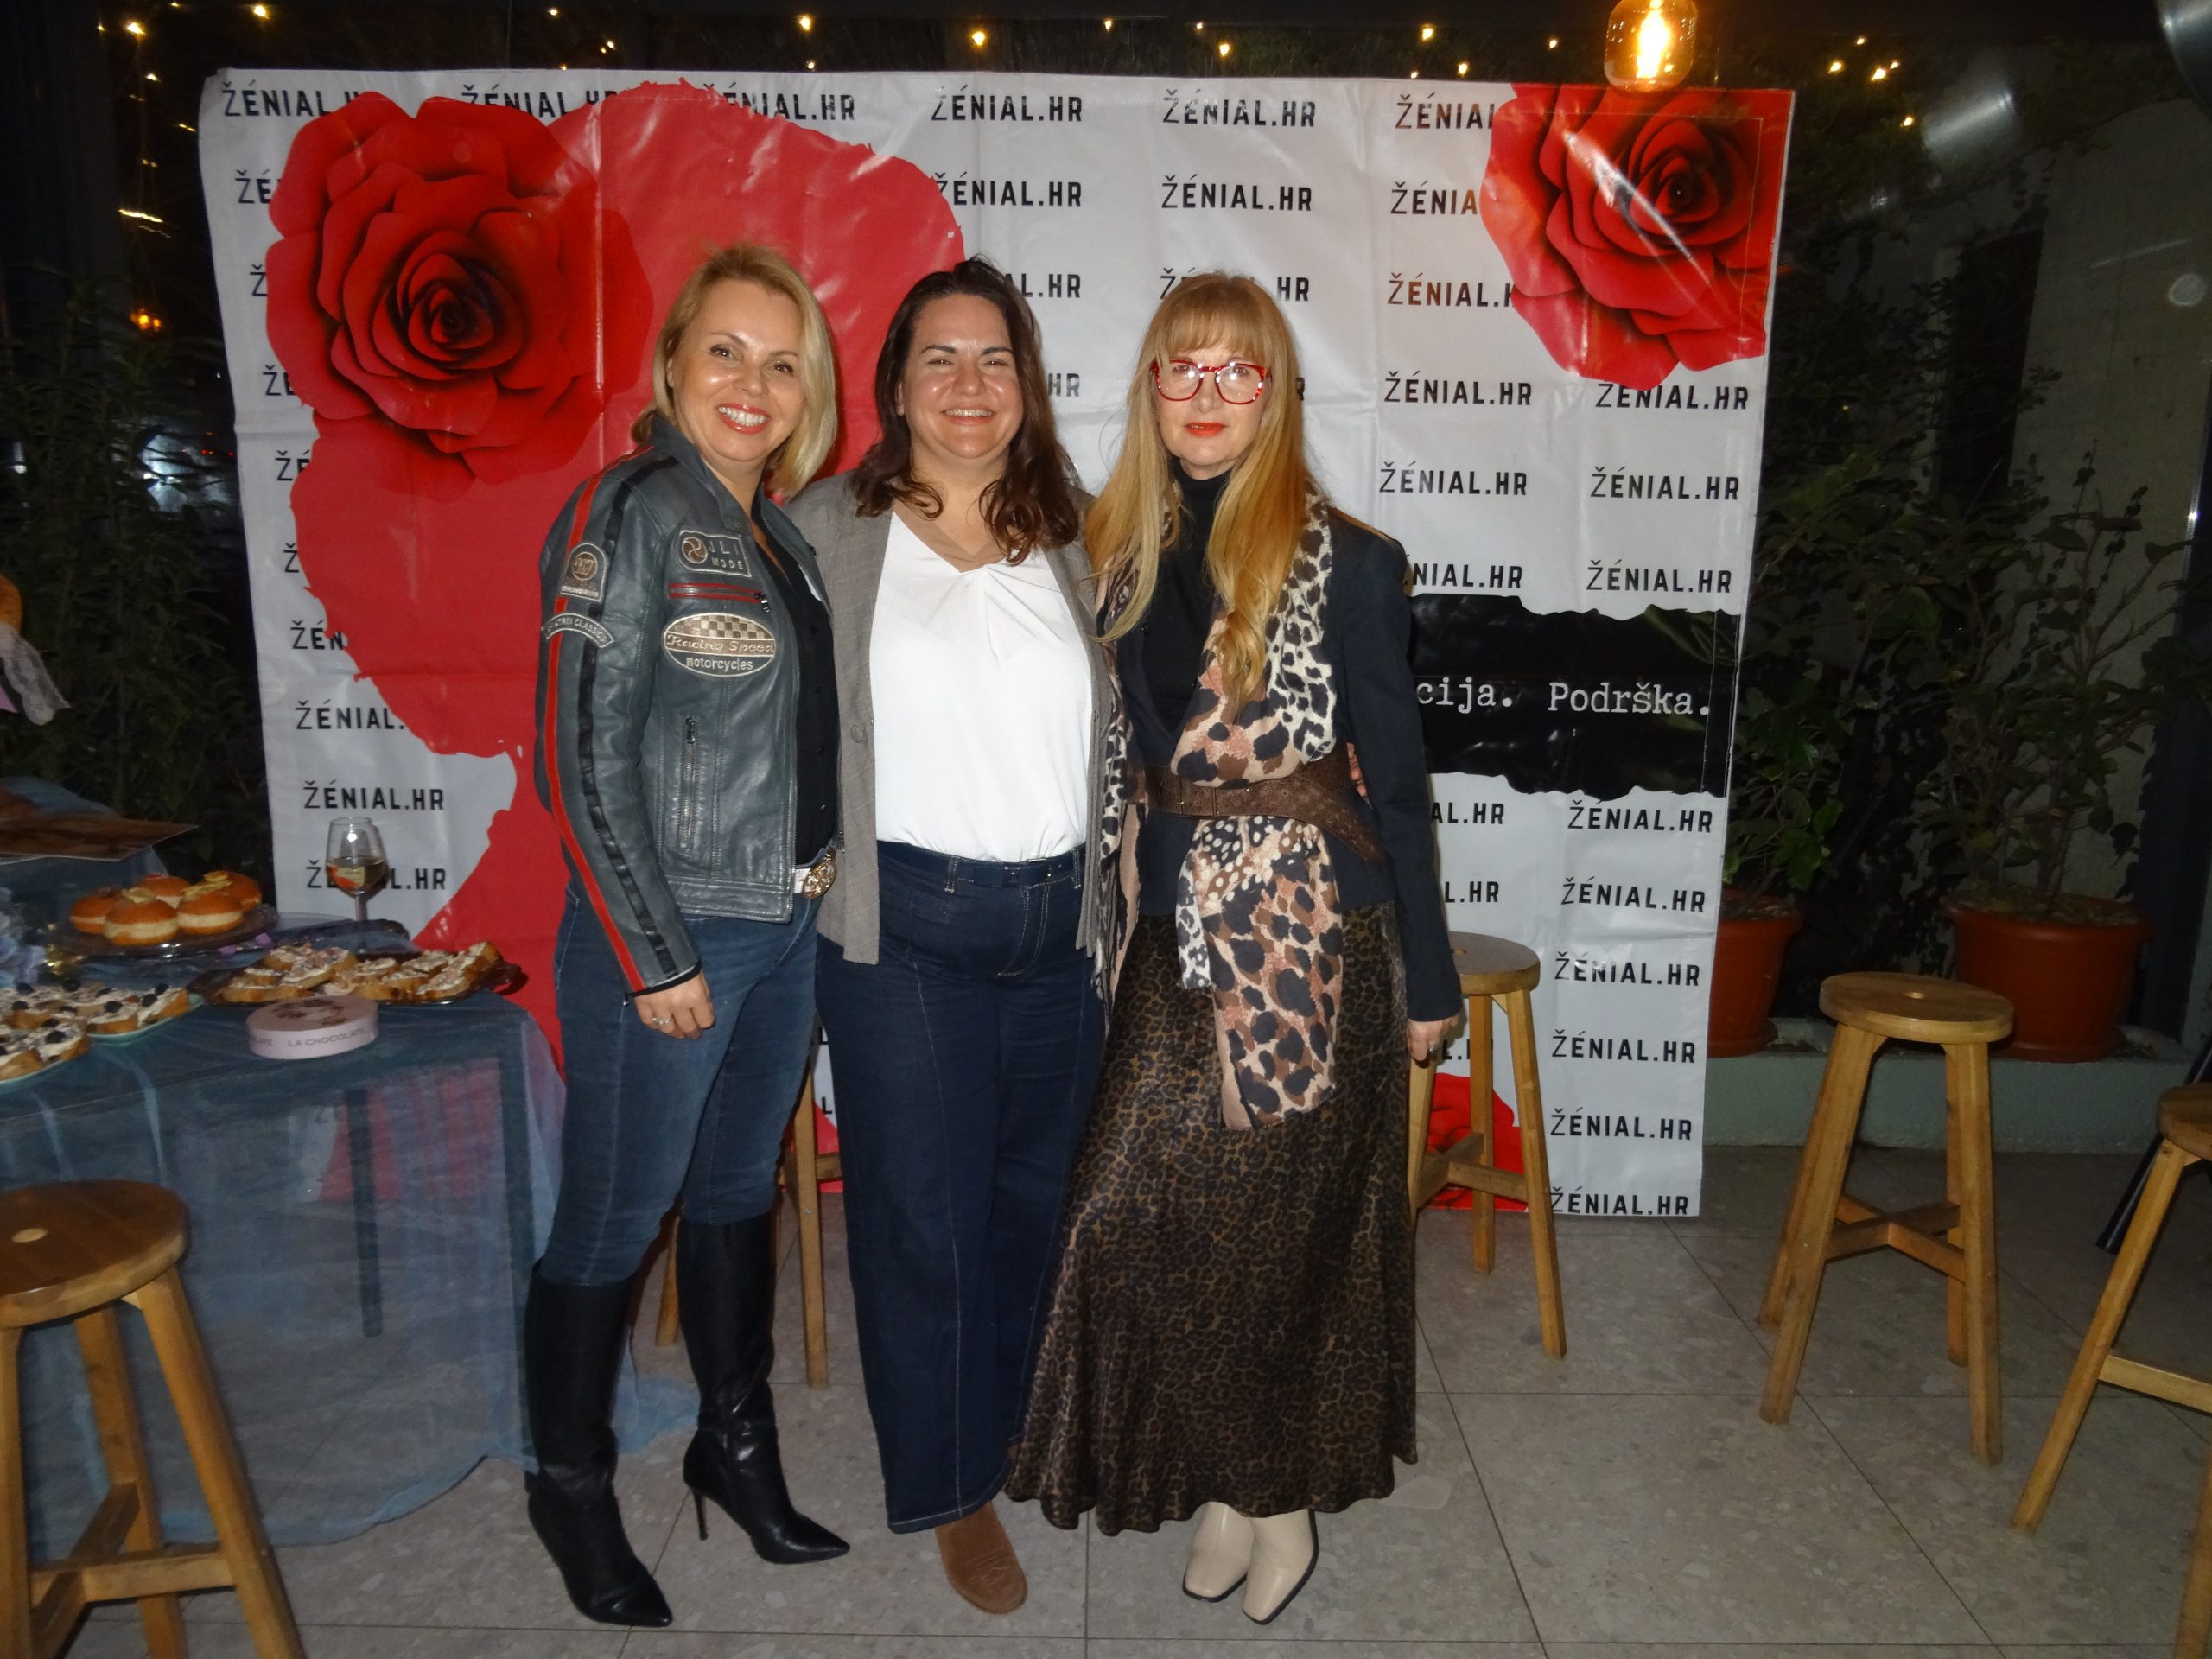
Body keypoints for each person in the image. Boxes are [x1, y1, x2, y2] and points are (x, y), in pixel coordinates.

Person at [1005, 272, 1460, 1624]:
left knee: (1276, 1232)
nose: (1208, 396)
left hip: (1317, 933)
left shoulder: (1351, 562)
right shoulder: (1114, 554)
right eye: (1183, 368)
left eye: (1239, 372)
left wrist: (1430, 977)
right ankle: (1236, 1474)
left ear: (1277, 394)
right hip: (1169, 928)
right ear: (1150, 386)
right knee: (1133, 1212)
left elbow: (1400, 783)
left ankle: (1266, 1493)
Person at [786, 258, 1121, 1617]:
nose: (969, 384)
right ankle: (950, 1485)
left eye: (995, 359)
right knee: (923, 1220)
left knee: (1037, 1205)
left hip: (1063, 929)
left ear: (1026, 384)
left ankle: (1018, 1425)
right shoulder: (825, 531)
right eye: (941, 357)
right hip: (904, 928)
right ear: (896, 385)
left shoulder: (1085, 537)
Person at [526, 244, 849, 1629]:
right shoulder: (629, 510)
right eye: (726, 350)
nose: (752, 384)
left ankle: (736, 1450)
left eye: (782, 362)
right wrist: (653, 953)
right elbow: (574, 752)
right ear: (671, 363)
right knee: (611, 1222)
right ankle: (570, 1486)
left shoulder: (779, 534)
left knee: (732, 1199)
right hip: (670, 941)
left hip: (786, 926)